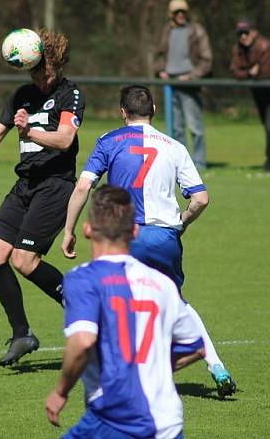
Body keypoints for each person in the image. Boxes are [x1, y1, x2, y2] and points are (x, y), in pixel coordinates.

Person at [60, 85, 237, 399]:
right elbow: (201, 199)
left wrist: (69, 230)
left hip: (126, 237)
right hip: (166, 236)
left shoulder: (108, 141)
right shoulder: (174, 146)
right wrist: (179, 224)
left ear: (122, 113)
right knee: (176, 301)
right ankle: (216, 366)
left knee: (114, 304)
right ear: (154, 110)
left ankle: (118, 377)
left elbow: (82, 187)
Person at [46, 185, 206, 438]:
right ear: (134, 231)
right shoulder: (163, 284)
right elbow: (196, 346)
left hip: (117, 418)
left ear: (87, 230)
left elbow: (83, 341)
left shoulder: (83, 279)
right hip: (167, 423)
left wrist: (60, 392)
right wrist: (148, 370)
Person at [0, 28, 85, 367]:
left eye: (43, 72)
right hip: (25, 185)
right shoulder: (22, 93)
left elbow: (65, 140)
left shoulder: (70, 94)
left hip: (55, 186)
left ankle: (82, 309)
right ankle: (22, 334)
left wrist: (29, 130)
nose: (39, 79)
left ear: (56, 65)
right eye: (33, 73)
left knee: (24, 261)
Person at [154, 0, 213, 170]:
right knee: (175, 129)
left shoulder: (196, 30)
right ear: (170, 14)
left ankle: (200, 163)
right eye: (176, 12)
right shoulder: (166, 30)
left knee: (195, 127)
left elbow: (207, 59)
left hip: (189, 85)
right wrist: (160, 71)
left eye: (183, 12)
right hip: (170, 85)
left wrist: (191, 76)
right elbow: (158, 55)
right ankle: (180, 163)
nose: (180, 15)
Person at [229, 18, 270, 172]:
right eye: (240, 34)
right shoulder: (237, 49)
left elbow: (267, 74)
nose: (243, 36)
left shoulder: (266, 46)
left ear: (254, 32)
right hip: (258, 92)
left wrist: (248, 72)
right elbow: (234, 71)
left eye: (246, 32)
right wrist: (250, 71)